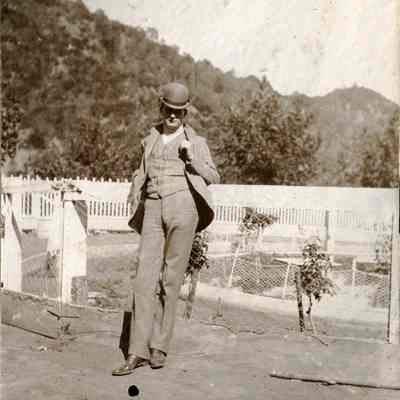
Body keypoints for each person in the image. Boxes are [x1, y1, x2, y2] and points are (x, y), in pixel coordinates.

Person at [112, 82, 220, 376]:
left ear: (185, 113)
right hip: (153, 208)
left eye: (179, 112)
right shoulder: (149, 138)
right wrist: (134, 189)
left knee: (170, 280)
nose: (173, 116)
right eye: (169, 110)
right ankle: (136, 352)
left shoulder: (195, 141)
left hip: (184, 209)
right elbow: (141, 171)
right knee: (143, 280)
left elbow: (213, 176)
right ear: (161, 108)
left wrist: (192, 159)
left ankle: (159, 347)